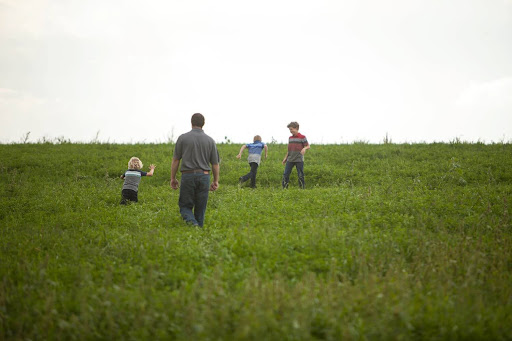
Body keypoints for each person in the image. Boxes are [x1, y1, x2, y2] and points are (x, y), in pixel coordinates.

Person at [170, 113, 220, 227]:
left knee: (184, 206)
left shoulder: (182, 138)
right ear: (203, 124)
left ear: (191, 122)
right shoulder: (210, 140)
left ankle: (193, 226)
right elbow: (215, 164)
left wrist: (173, 178)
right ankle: (199, 232)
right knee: (200, 209)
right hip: (204, 176)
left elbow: (176, 160)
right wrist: (215, 181)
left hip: (187, 176)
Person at [282, 121, 310, 189]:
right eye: (289, 129)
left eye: (291, 129)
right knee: (286, 174)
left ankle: (302, 189)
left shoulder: (302, 137)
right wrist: (285, 158)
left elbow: (308, 146)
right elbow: (289, 150)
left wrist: (304, 148)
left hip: (299, 159)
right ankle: (284, 189)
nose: (290, 131)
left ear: (296, 128)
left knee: (300, 175)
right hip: (290, 159)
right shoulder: (290, 138)